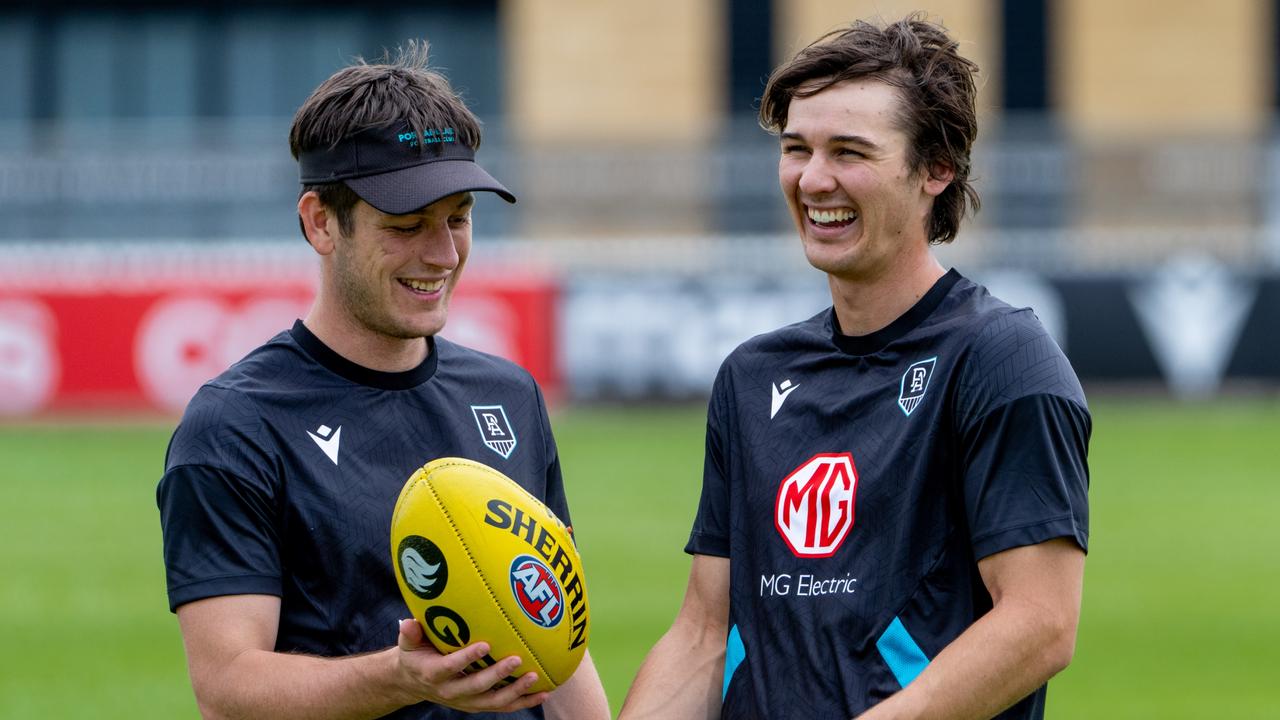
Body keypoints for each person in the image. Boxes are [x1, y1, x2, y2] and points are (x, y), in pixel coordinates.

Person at [620, 14, 1089, 720]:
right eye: (797, 148)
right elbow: (703, 634)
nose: (813, 180)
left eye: (849, 152)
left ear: (937, 169)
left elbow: (1040, 625)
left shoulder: (1001, 359)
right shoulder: (751, 376)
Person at [156, 43, 609, 720]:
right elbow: (226, 684)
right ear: (320, 223)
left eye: (459, 218)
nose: (444, 253)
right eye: (405, 225)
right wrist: (400, 678)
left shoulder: (510, 395)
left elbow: (552, 637)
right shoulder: (235, 423)